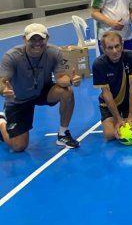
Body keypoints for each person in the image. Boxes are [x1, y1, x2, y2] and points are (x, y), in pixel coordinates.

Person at [0, 23, 81, 151]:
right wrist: (4, 90)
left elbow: (60, 78)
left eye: (41, 39)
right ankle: (1, 122)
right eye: (32, 39)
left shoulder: (54, 52)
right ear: (24, 39)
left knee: (67, 92)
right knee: (18, 146)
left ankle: (63, 134)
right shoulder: (11, 56)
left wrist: (70, 80)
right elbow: (2, 81)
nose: (37, 43)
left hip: (42, 91)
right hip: (19, 99)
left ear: (47, 38)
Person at [92, 32, 132, 141]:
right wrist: (118, 119)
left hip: (128, 101)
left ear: (122, 44)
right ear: (103, 49)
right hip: (110, 102)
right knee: (110, 135)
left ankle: (128, 116)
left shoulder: (131, 57)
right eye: (110, 48)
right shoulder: (99, 64)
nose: (115, 51)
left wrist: (131, 115)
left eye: (117, 46)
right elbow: (106, 93)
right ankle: (119, 119)